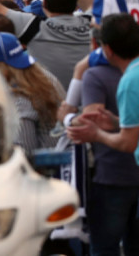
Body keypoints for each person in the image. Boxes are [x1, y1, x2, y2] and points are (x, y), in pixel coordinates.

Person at [65, 14, 139, 255]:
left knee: (104, 249)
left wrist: (96, 133)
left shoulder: (120, 80)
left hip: (113, 176)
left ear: (106, 49)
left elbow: (127, 142)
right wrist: (117, 122)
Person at [0, 32, 62, 155]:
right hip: (66, 161)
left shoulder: (19, 97)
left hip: (46, 168)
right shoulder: (44, 75)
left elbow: (25, 151)